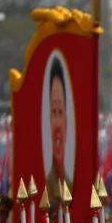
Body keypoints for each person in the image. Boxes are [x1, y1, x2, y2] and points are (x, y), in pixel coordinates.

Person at [45, 58, 71, 197]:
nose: (58, 125)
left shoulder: (73, 186)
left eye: (60, 111)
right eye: (54, 111)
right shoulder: (43, 187)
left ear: (66, 123)